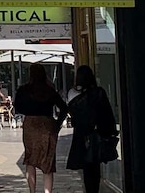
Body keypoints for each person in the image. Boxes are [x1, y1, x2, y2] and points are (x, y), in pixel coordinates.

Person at [14, 63, 68, 193]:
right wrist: (57, 123)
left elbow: (17, 107)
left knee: (30, 159)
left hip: (30, 125)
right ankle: (47, 191)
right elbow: (64, 108)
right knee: (48, 161)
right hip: (47, 124)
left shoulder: (23, 90)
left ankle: (32, 191)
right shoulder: (49, 90)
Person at [66, 65, 117, 193]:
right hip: (96, 134)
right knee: (95, 166)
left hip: (81, 135)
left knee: (86, 168)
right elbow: (107, 114)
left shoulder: (72, 94)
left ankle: (89, 189)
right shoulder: (99, 93)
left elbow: (72, 115)